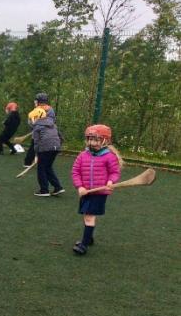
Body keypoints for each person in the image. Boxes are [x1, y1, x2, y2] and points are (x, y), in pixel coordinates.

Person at [71, 124, 122, 255]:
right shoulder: (82, 155)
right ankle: (89, 238)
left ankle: (83, 245)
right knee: (86, 215)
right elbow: (75, 172)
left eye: (96, 140)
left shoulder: (109, 156)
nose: (92, 143)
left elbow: (114, 172)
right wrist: (79, 186)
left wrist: (111, 181)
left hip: (99, 193)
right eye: (90, 139)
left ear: (105, 140)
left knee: (89, 216)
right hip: (85, 192)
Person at [31, 92, 64, 197]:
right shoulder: (52, 122)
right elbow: (59, 135)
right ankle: (58, 187)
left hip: (45, 147)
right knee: (48, 167)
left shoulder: (36, 126)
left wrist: (37, 154)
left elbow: (36, 142)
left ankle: (44, 190)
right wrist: (59, 144)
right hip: (56, 146)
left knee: (41, 168)